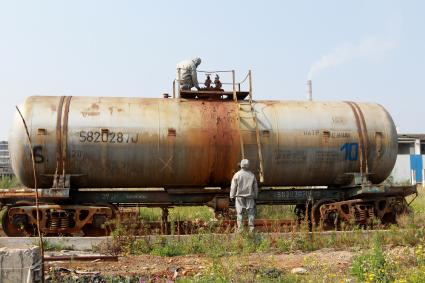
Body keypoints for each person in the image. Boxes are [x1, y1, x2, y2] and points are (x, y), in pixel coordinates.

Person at [230, 159, 258, 232]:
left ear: (241, 165)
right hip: (250, 197)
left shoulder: (237, 175)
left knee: (239, 213)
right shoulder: (252, 175)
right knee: (251, 212)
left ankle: (240, 229)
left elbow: (233, 186)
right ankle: (251, 229)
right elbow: (255, 187)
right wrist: (256, 196)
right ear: (248, 165)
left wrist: (231, 196)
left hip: (239, 197)